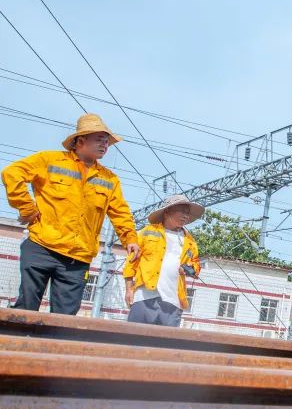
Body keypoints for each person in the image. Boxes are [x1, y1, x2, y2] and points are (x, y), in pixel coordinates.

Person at [2, 113, 139, 315]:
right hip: (41, 247)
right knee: (26, 309)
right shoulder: (50, 161)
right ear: (80, 140)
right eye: (99, 139)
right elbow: (11, 173)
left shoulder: (110, 179)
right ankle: (17, 345)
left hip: (77, 258)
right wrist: (27, 208)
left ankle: (54, 347)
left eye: (107, 141)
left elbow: (120, 212)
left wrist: (130, 238)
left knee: (65, 319)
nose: (105, 145)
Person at [123, 194, 203, 327]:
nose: (185, 215)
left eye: (187, 212)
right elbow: (131, 263)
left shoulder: (190, 241)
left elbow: (195, 263)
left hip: (173, 301)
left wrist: (191, 269)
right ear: (167, 212)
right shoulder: (147, 232)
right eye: (182, 210)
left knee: (165, 344)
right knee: (134, 340)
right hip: (144, 296)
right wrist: (129, 289)